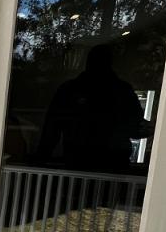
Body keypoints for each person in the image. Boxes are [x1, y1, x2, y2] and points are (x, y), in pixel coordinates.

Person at [37, 43, 147, 171]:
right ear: (111, 63)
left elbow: (51, 129)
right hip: (111, 164)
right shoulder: (122, 90)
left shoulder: (71, 89)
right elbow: (135, 128)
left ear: (87, 62)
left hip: (80, 162)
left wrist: (41, 160)